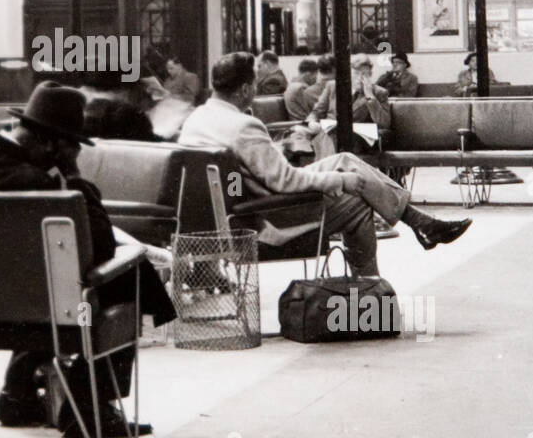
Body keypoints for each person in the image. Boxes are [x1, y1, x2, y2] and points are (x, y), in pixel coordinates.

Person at [0, 81, 177, 438]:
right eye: (72, 145)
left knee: (35, 279)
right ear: (50, 143)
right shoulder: (36, 185)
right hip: (13, 304)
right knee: (129, 275)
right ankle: (90, 407)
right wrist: (75, 177)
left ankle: (19, 393)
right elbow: (101, 246)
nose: (74, 151)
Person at [178, 53, 471, 276]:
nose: (254, 90)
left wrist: (277, 150)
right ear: (243, 89)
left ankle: (420, 224)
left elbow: (252, 170)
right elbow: (286, 182)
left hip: (234, 212)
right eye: (253, 84)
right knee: (358, 202)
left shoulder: (197, 120)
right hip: (268, 218)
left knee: (345, 160)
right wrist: (338, 181)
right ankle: (368, 290)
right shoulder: (244, 126)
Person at [303, 55, 390, 157]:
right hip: (328, 131)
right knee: (298, 133)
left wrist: (370, 96)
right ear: (348, 74)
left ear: (370, 75)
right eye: (356, 73)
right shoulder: (333, 86)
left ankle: (329, 169)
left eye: (365, 74)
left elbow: (384, 123)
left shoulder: (379, 92)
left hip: (355, 138)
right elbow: (317, 112)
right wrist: (312, 122)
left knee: (336, 138)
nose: (360, 78)